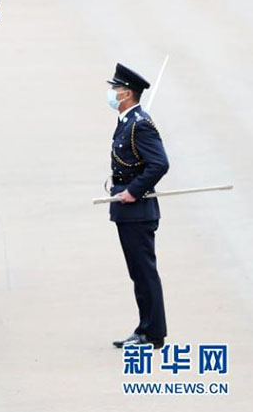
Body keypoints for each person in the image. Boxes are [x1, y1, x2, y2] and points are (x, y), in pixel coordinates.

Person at [105, 63, 170, 350]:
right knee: (138, 272)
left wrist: (133, 190)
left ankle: (152, 334)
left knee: (144, 272)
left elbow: (160, 163)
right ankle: (146, 328)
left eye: (115, 89)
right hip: (126, 210)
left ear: (127, 93)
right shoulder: (127, 123)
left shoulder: (140, 125)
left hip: (137, 210)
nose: (111, 93)